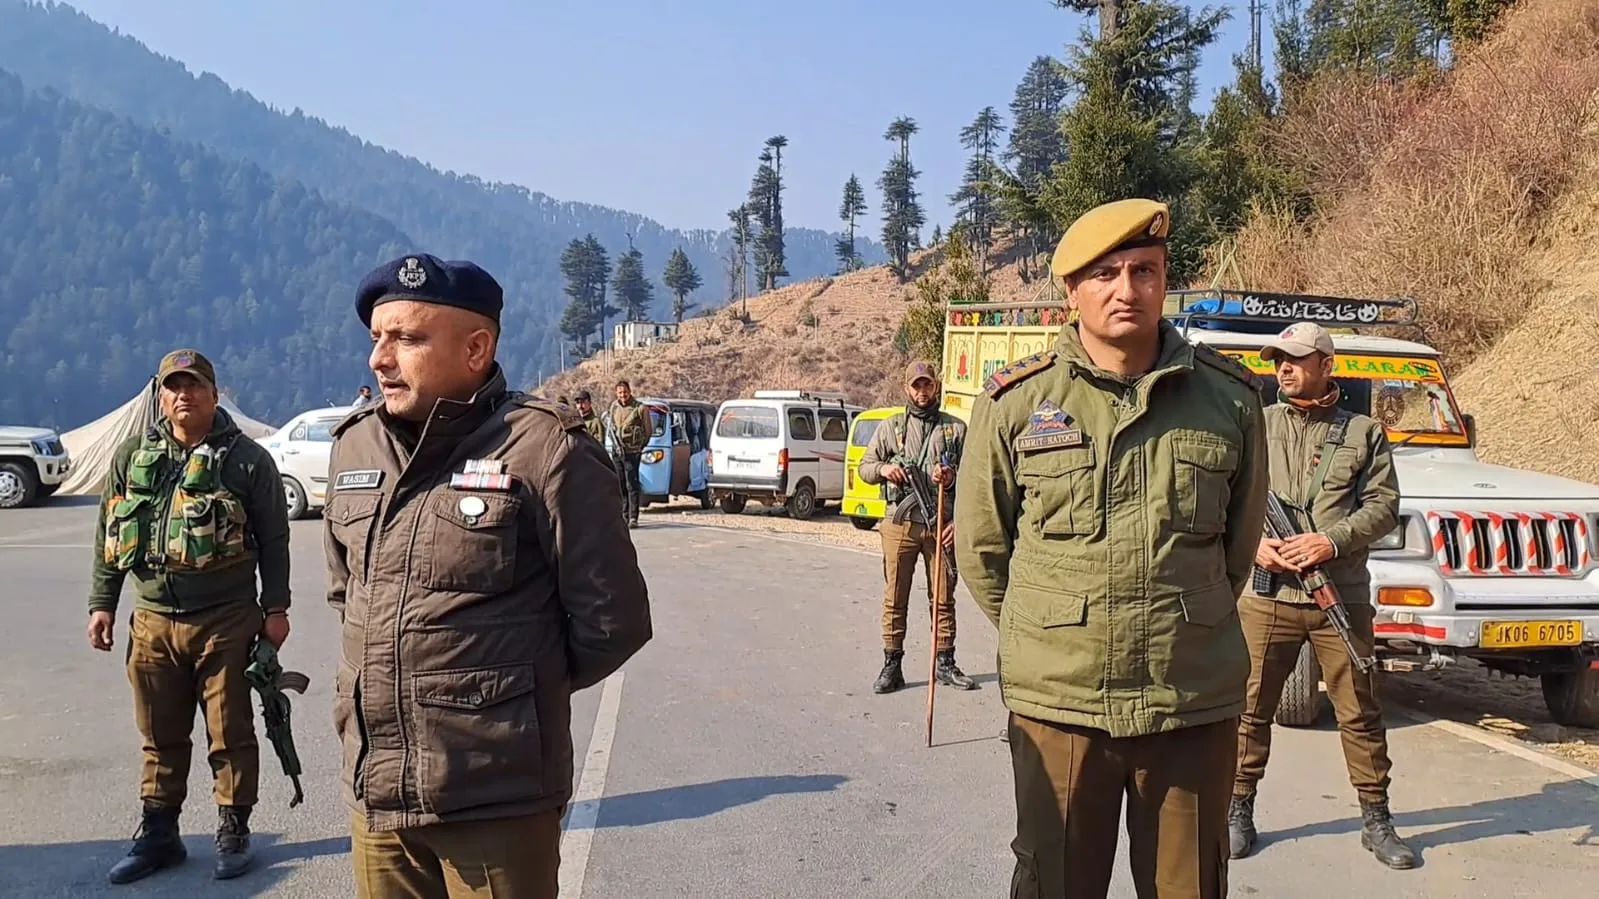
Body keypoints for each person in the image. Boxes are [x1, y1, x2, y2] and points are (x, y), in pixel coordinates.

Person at [954, 198, 1270, 898]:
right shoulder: (1016, 403)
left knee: (1191, 887)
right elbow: (981, 548)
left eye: (1144, 270)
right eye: (1104, 274)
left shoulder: (1229, 400)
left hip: (1188, 700)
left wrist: (1180, 623)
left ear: (1164, 280)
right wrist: (1053, 630)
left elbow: (1237, 549)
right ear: (1071, 290)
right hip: (1061, 703)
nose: (1127, 289)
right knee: (1056, 882)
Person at [325, 252, 653, 899]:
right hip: (379, 795)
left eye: (407, 338)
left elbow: (612, 621)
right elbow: (349, 593)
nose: (379, 359)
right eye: (377, 338)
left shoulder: (546, 450)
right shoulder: (353, 446)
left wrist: (503, 692)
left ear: (476, 348)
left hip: (497, 800)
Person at [86, 348, 292, 884]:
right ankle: (160, 834)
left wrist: (276, 608)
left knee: (230, 731)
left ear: (214, 394)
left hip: (226, 620)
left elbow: (274, 538)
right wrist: (102, 603)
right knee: (159, 734)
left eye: (195, 385)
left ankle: (234, 828)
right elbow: (109, 532)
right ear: (161, 397)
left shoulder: (247, 461)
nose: (184, 395)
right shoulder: (132, 455)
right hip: (152, 621)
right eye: (174, 386)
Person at [1228, 321, 1415, 869]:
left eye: (1295, 358)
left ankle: (1376, 820)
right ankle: (1238, 810)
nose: (1283, 368)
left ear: (1326, 365)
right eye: (1277, 360)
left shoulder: (1363, 432)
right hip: (1268, 598)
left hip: (1340, 594)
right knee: (1248, 710)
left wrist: (1330, 541)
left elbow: (1383, 507)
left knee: (1359, 712)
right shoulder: (1256, 423)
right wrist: (1253, 545)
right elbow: (1222, 494)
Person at [856, 360, 977, 693]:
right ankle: (892, 665)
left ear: (936, 386)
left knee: (943, 598)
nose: (922, 392)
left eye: (927, 385)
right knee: (895, 597)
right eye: (916, 386)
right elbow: (865, 467)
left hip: (941, 524)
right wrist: (884, 470)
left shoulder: (955, 429)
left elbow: (974, 480)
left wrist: (952, 484)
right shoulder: (891, 427)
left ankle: (945, 662)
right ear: (906, 388)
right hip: (901, 525)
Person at [606, 378, 649, 527]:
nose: (623, 395)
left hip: (632, 452)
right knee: (620, 484)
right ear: (616, 393)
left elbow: (648, 431)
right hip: (617, 452)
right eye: (620, 392)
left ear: (630, 391)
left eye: (625, 392)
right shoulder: (614, 407)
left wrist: (639, 447)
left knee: (632, 484)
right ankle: (623, 516)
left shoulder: (640, 408)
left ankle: (633, 517)